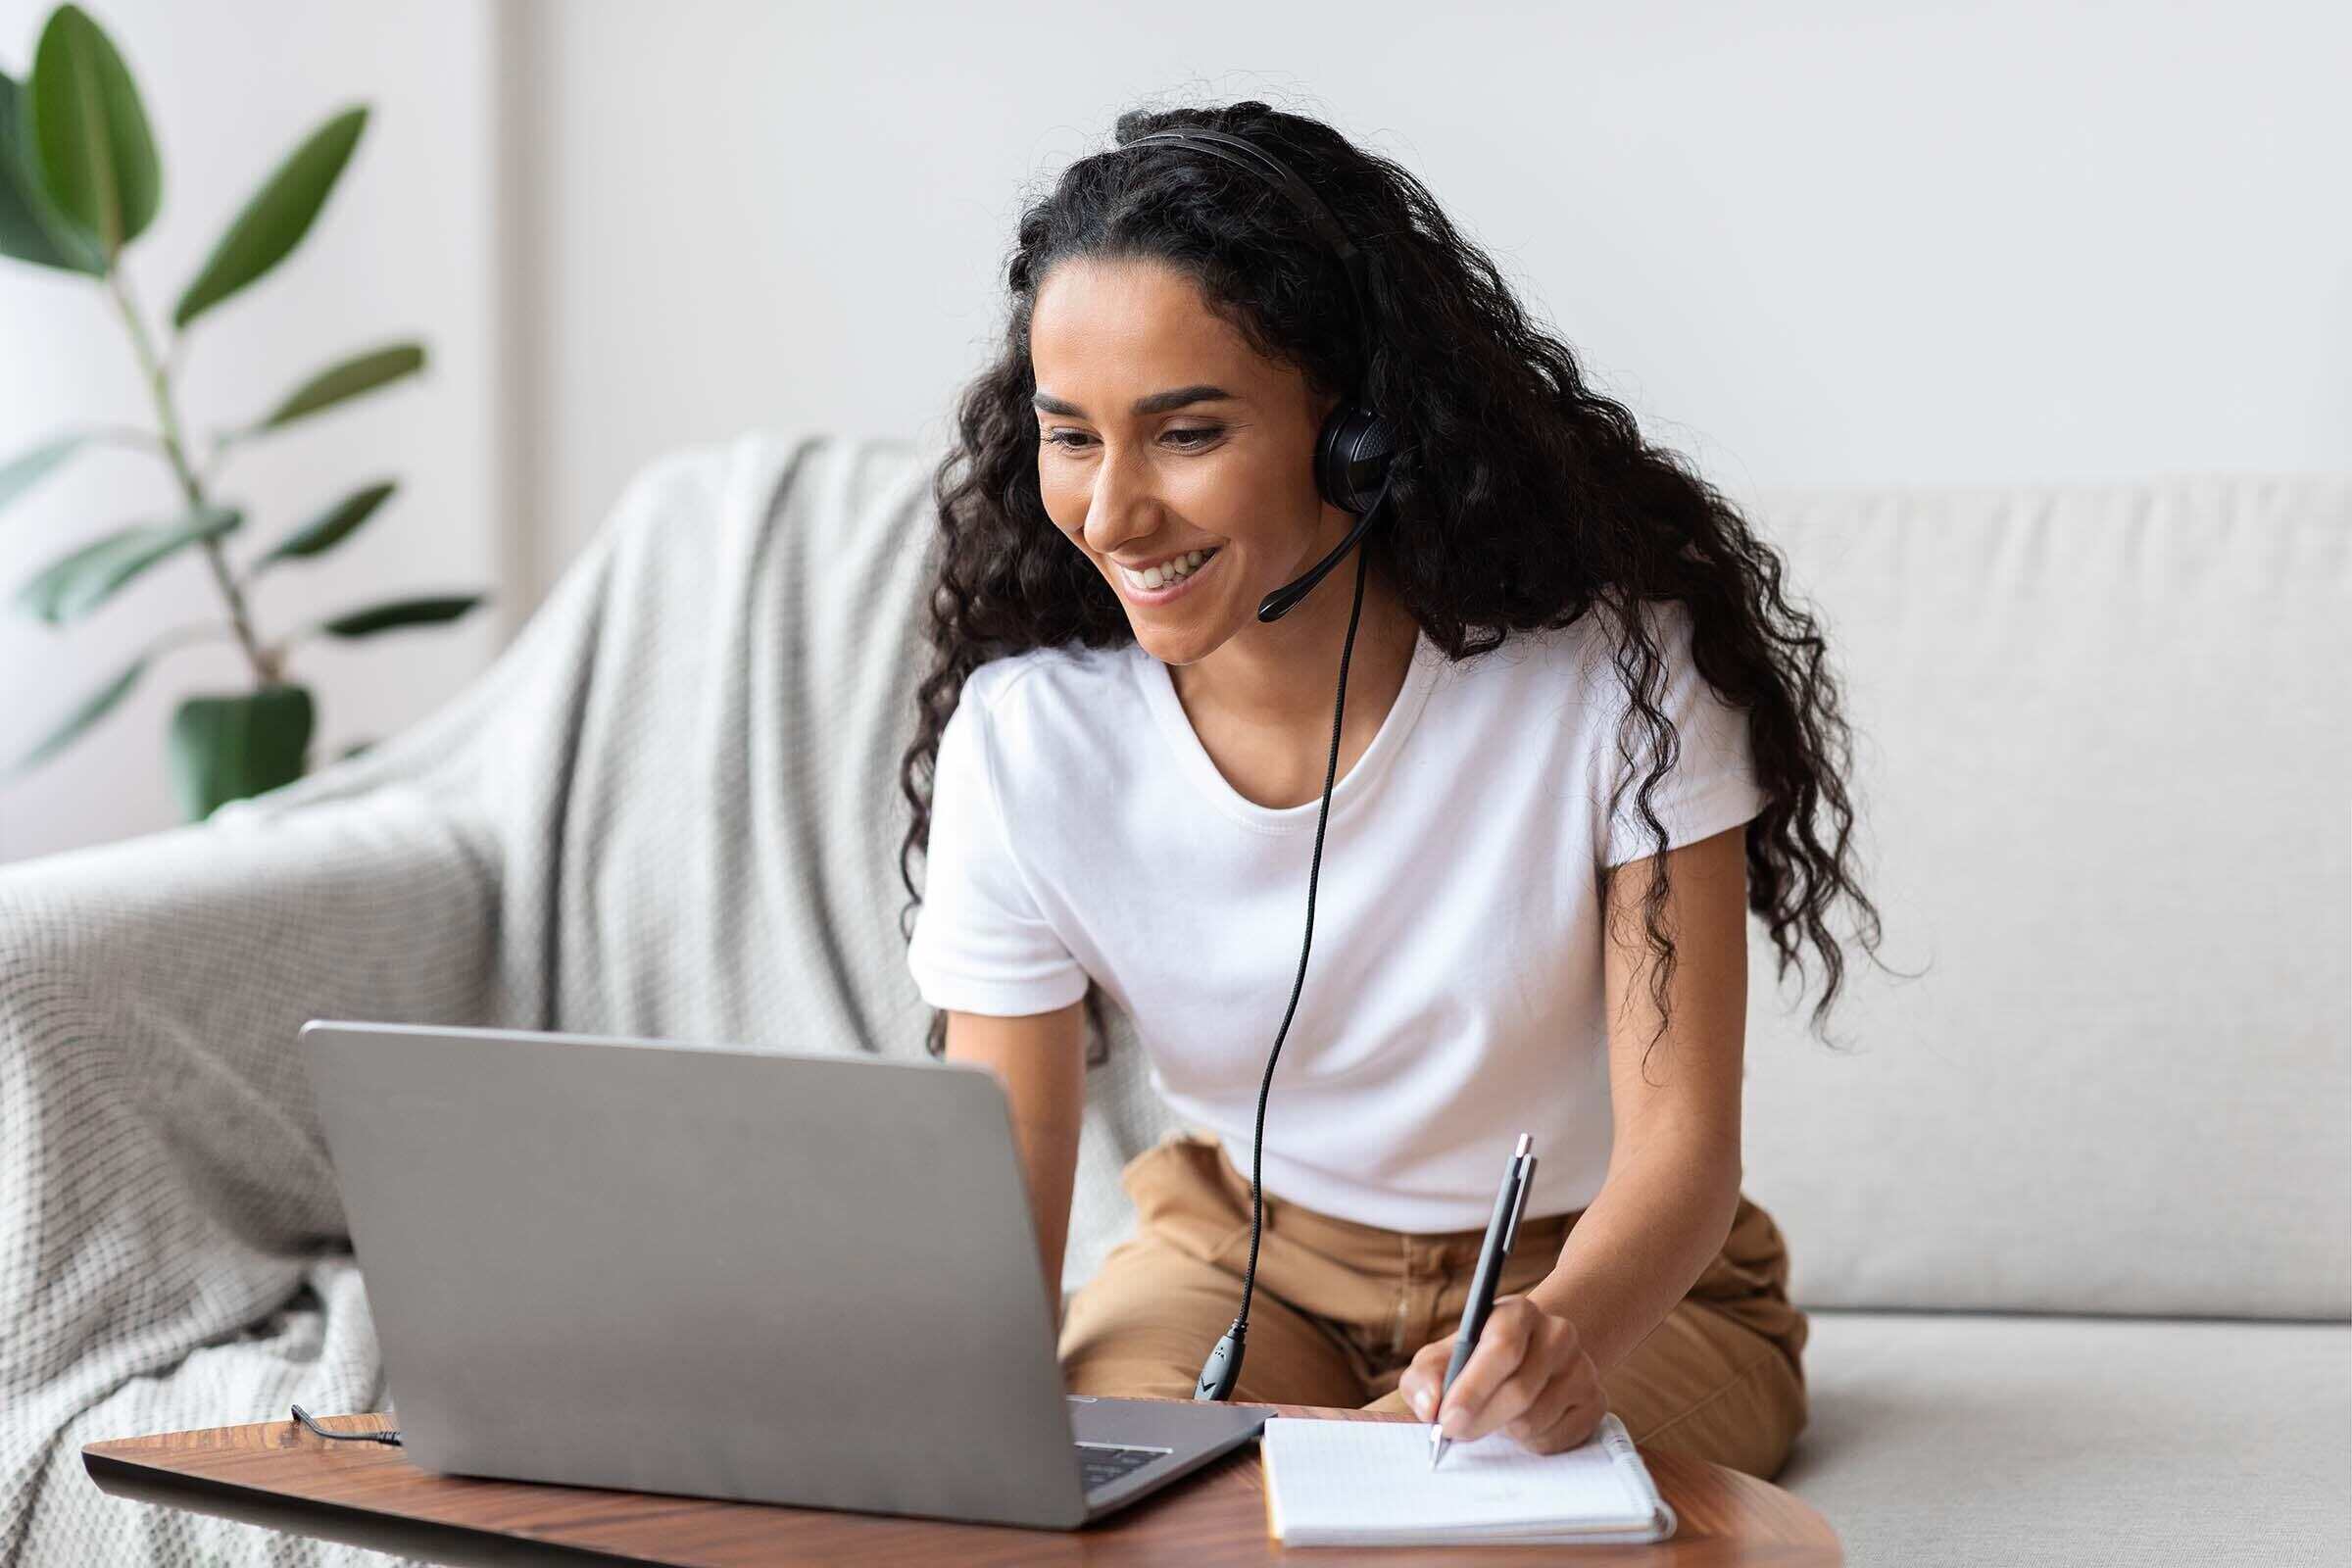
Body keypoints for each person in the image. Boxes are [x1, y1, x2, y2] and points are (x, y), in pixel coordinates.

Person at [896, 100, 1888, 1484]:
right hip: (1241, 1261)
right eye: (1073, 437)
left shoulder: (1617, 680)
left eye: (1187, 434)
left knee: (1464, 1514)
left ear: (1358, 432)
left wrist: (1558, 1343)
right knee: (1136, 1500)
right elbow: (1005, 1190)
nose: (1113, 515)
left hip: (1604, 1280)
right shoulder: (1027, 741)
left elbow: (1683, 1155)